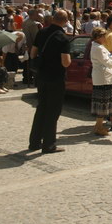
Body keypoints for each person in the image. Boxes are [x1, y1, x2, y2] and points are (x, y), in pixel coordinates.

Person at [28, 9, 71, 153]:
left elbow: (33, 52)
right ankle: (49, 144)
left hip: (41, 75)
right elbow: (65, 62)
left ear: (53, 19)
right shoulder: (62, 38)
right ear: (65, 22)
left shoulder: (42, 32)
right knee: (53, 111)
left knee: (41, 108)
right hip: (56, 77)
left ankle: (34, 142)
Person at [90, 28, 112, 136]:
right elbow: (109, 63)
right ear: (98, 37)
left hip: (105, 78)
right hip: (103, 79)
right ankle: (99, 126)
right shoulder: (98, 48)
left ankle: (99, 125)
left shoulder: (100, 47)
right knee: (103, 103)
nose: (105, 38)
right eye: (103, 36)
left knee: (106, 103)